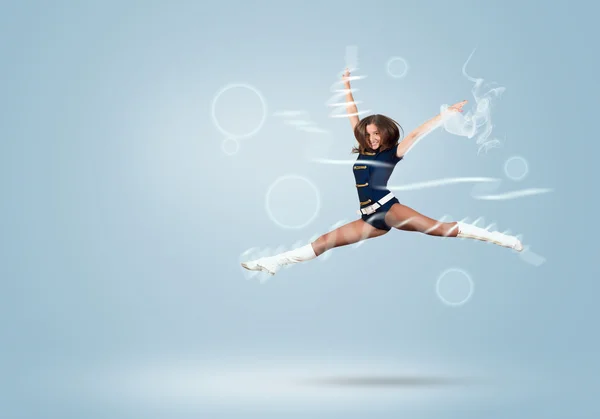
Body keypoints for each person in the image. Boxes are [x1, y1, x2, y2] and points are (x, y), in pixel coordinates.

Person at [242, 69, 523, 276]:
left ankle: (504, 239)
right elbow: (353, 113)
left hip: (388, 209)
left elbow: (416, 133)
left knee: (440, 230)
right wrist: (346, 85)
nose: (372, 137)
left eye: (376, 134)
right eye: (368, 133)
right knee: (322, 243)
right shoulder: (363, 149)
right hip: (369, 217)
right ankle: (274, 261)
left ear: (385, 134)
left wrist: (445, 115)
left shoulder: (392, 154)